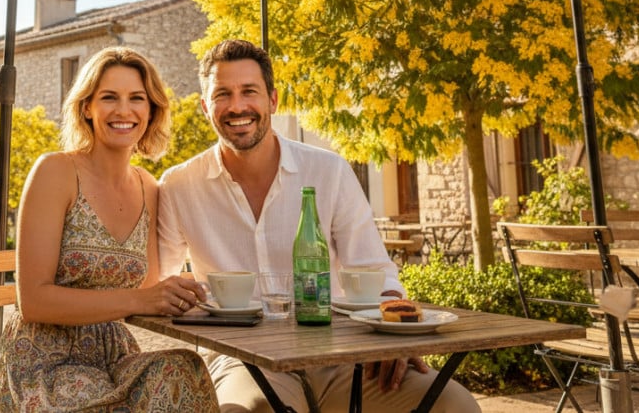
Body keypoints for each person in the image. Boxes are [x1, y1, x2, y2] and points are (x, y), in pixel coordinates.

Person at [158, 39, 480, 413]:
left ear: (273, 100)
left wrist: (395, 336)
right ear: (204, 107)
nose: (237, 106)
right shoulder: (178, 185)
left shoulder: (328, 170)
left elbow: (374, 269)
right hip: (244, 362)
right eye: (222, 94)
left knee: (453, 404)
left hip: (341, 355)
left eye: (249, 91)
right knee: (249, 411)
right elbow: (159, 286)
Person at [0, 47, 218, 412]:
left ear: (151, 110)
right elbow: (33, 301)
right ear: (87, 107)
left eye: (137, 99)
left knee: (183, 369)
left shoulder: (149, 187)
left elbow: (149, 290)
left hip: (113, 354)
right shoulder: (55, 171)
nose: (124, 111)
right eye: (109, 97)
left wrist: (190, 296)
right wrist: (141, 299)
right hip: (42, 361)